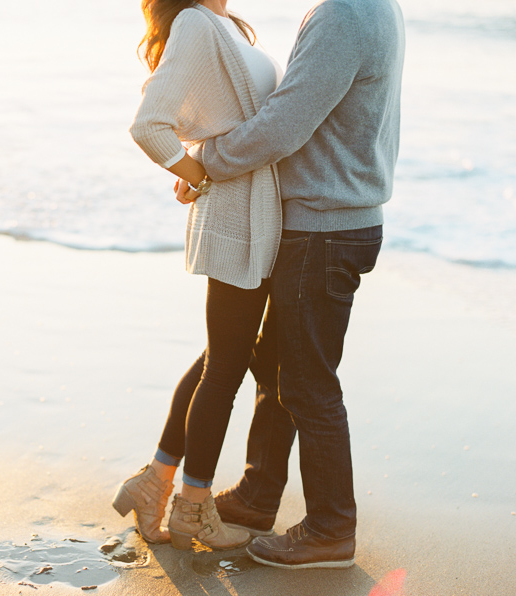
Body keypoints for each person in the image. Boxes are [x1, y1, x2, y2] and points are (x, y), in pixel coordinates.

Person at [179, 0, 406, 569]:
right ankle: (258, 498)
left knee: (307, 384)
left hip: (325, 228)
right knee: (277, 370)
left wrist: (207, 160)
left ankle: (331, 529)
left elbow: (285, 122)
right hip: (327, 221)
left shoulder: (346, 14)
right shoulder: (367, 7)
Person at [111, 0, 284, 550]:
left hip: (255, 212)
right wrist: (198, 174)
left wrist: (203, 165)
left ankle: (154, 482)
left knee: (221, 354)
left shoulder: (226, 25)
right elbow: (149, 125)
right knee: (226, 365)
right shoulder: (195, 22)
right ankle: (192, 506)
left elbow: (221, 121)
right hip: (237, 217)